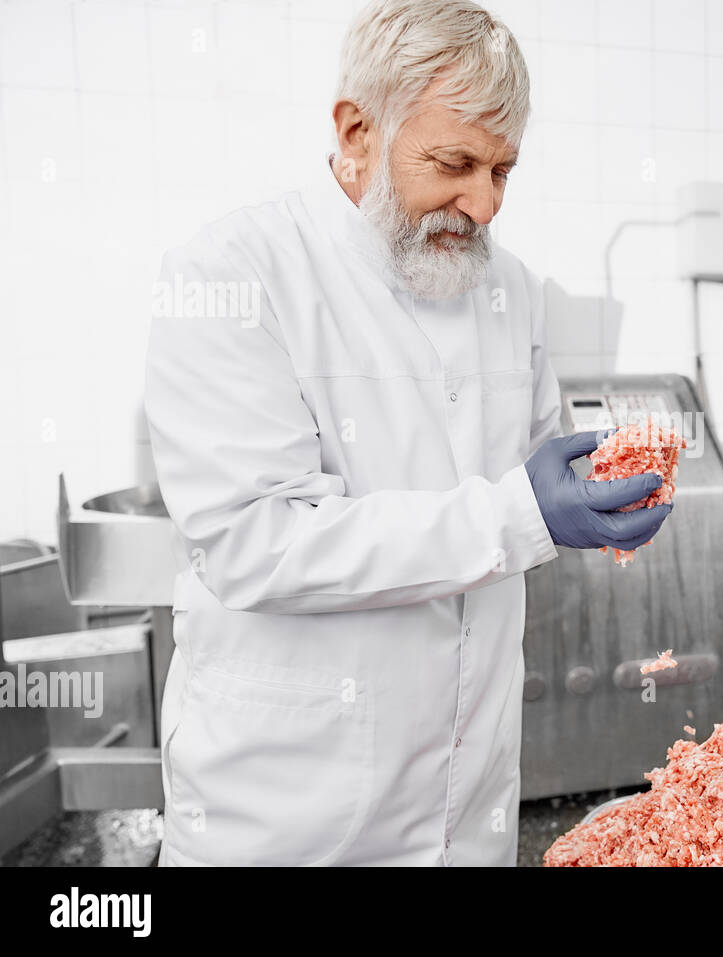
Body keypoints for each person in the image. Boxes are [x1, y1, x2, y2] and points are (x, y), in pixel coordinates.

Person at [143, 0, 671, 866]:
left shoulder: (511, 290)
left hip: (469, 815)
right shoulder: (234, 276)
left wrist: (601, 488)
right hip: (287, 822)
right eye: (456, 162)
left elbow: (536, 475)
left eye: (504, 169)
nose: (485, 202)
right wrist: (524, 513)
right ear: (356, 131)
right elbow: (256, 541)